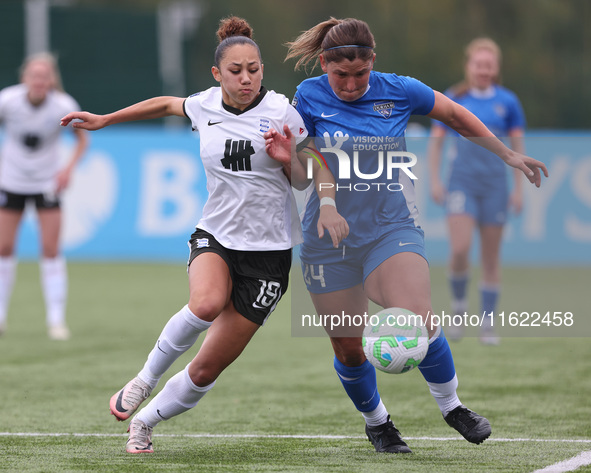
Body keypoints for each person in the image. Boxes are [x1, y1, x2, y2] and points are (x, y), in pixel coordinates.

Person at [61, 16, 347, 454]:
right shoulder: (204, 105)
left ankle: (145, 421)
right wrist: (106, 119)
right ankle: (143, 380)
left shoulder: (282, 112)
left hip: (269, 254)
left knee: (206, 369)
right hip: (215, 235)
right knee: (206, 303)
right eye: (236, 71)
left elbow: (314, 175)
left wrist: (287, 157)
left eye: (253, 68)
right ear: (218, 74)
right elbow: (164, 104)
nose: (246, 78)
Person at [284, 18, 547, 454]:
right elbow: (299, 172)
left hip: (392, 226)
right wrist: (287, 158)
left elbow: (458, 116)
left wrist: (508, 153)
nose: (349, 84)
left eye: (359, 74)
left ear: (373, 62)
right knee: (350, 349)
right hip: (328, 239)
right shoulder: (308, 96)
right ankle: (378, 424)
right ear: (323, 63)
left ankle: (452, 407)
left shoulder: (401, 90)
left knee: (419, 317)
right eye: (340, 75)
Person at [427, 38, 526, 345]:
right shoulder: (455, 98)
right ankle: (458, 311)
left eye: (489, 65)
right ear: (468, 66)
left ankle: (487, 324)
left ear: (496, 69)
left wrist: (519, 188)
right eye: (478, 64)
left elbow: (517, 146)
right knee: (459, 249)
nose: (483, 70)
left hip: (495, 186)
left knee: (491, 258)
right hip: (462, 183)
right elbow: (437, 143)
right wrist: (434, 180)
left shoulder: (508, 102)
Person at [0, 52, 89, 341]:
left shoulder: (62, 105)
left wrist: (67, 170)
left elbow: (82, 139)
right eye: (33, 76)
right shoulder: (8, 101)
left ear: (51, 80)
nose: (39, 82)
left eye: (44, 76)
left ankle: (56, 321)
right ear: (24, 78)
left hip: (46, 184)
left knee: (50, 250)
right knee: (3, 248)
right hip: (10, 181)